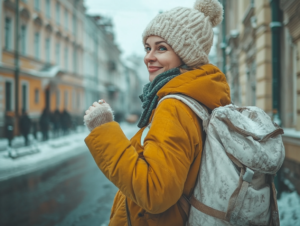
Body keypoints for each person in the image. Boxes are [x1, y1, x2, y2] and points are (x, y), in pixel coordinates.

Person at [84, 0, 230, 225]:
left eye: (161, 48)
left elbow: (155, 192)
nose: (148, 57)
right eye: (147, 47)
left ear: (187, 54)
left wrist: (103, 130)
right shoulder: (198, 97)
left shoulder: (174, 106)